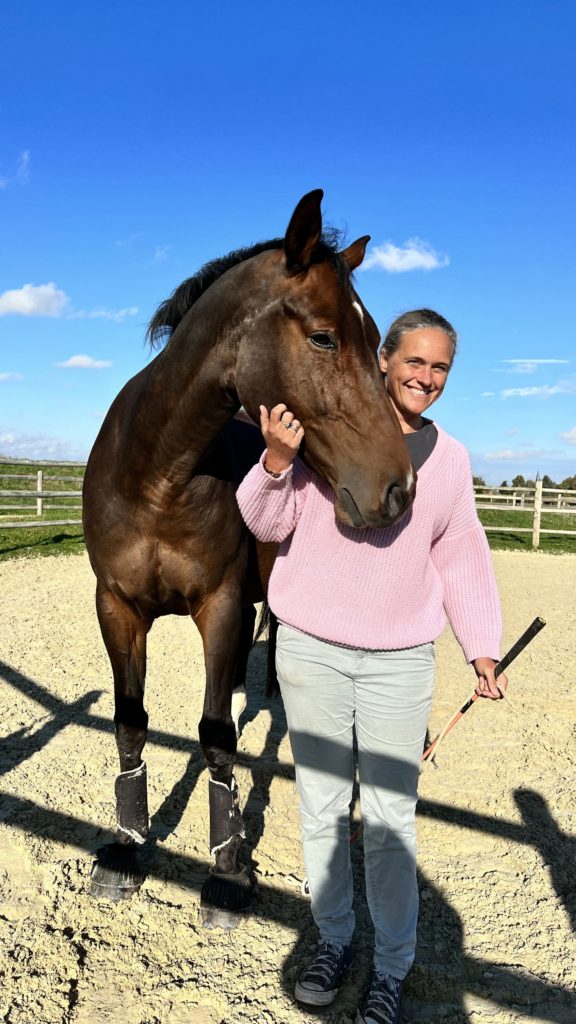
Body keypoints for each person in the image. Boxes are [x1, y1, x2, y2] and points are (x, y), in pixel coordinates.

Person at [236, 308, 507, 1024]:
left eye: (439, 366)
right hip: (312, 649)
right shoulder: (325, 428)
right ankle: (333, 942)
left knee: (390, 820)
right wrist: (274, 462)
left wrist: (481, 644)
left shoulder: (450, 460)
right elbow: (267, 523)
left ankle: (390, 969)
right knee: (322, 809)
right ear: (382, 360)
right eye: (413, 361)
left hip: (400, 661)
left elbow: (459, 551)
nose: (425, 376)